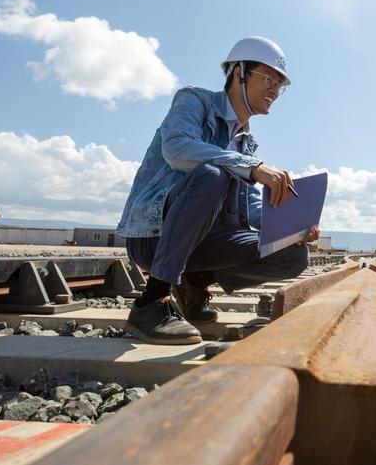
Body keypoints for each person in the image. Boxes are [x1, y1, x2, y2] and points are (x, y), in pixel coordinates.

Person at [116, 36, 318, 344]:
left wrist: (292, 228)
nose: (275, 91)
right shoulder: (194, 101)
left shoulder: (246, 143)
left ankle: (193, 283)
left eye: (280, 85)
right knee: (211, 175)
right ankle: (152, 301)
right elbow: (177, 148)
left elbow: (251, 208)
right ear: (239, 72)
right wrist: (251, 167)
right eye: (268, 79)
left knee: (294, 255)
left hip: (205, 242)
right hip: (153, 236)